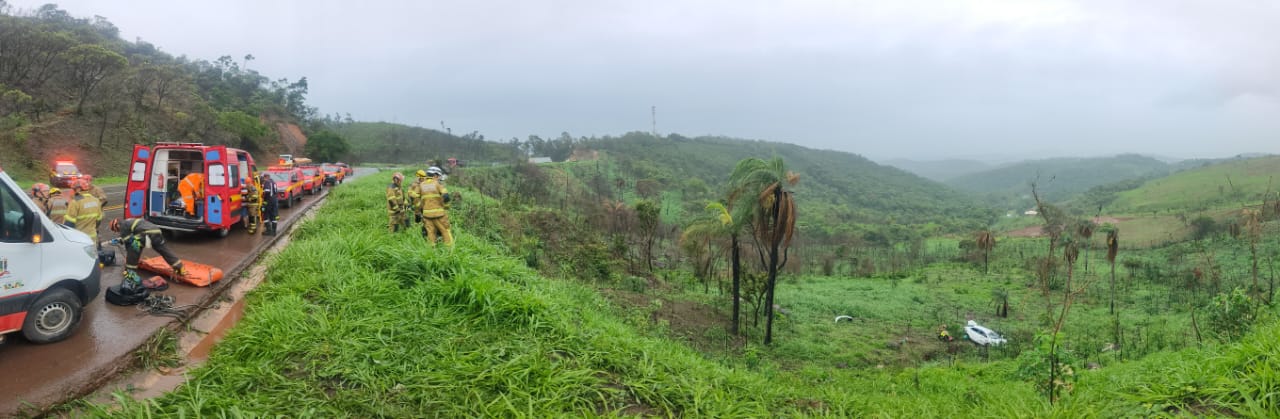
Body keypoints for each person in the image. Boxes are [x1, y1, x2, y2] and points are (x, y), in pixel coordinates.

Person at [109, 217, 186, 291]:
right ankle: (179, 267)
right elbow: (132, 234)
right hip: (156, 231)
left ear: (117, 225)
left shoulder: (122, 225)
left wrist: (129, 255)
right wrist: (120, 240)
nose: (118, 231)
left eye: (116, 230)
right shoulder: (129, 221)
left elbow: (128, 242)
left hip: (146, 234)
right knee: (164, 250)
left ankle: (130, 273)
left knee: (133, 249)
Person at [410, 166, 454, 246]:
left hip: (427, 215)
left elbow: (413, 197)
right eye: (439, 176)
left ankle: (432, 252)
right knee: (446, 231)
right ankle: (450, 251)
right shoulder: (438, 184)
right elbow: (446, 197)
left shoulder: (421, 185)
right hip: (439, 214)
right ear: (435, 175)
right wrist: (446, 207)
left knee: (431, 234)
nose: (439, 178)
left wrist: (419, 209)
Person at [64, 179, 103, 248]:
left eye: (73, 189)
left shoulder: (75, 202)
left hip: (80, 239)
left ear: (78, 189)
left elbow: (69, 223)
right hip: (92, 238)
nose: (72, 192)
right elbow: (99, 220)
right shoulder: (96, 200)